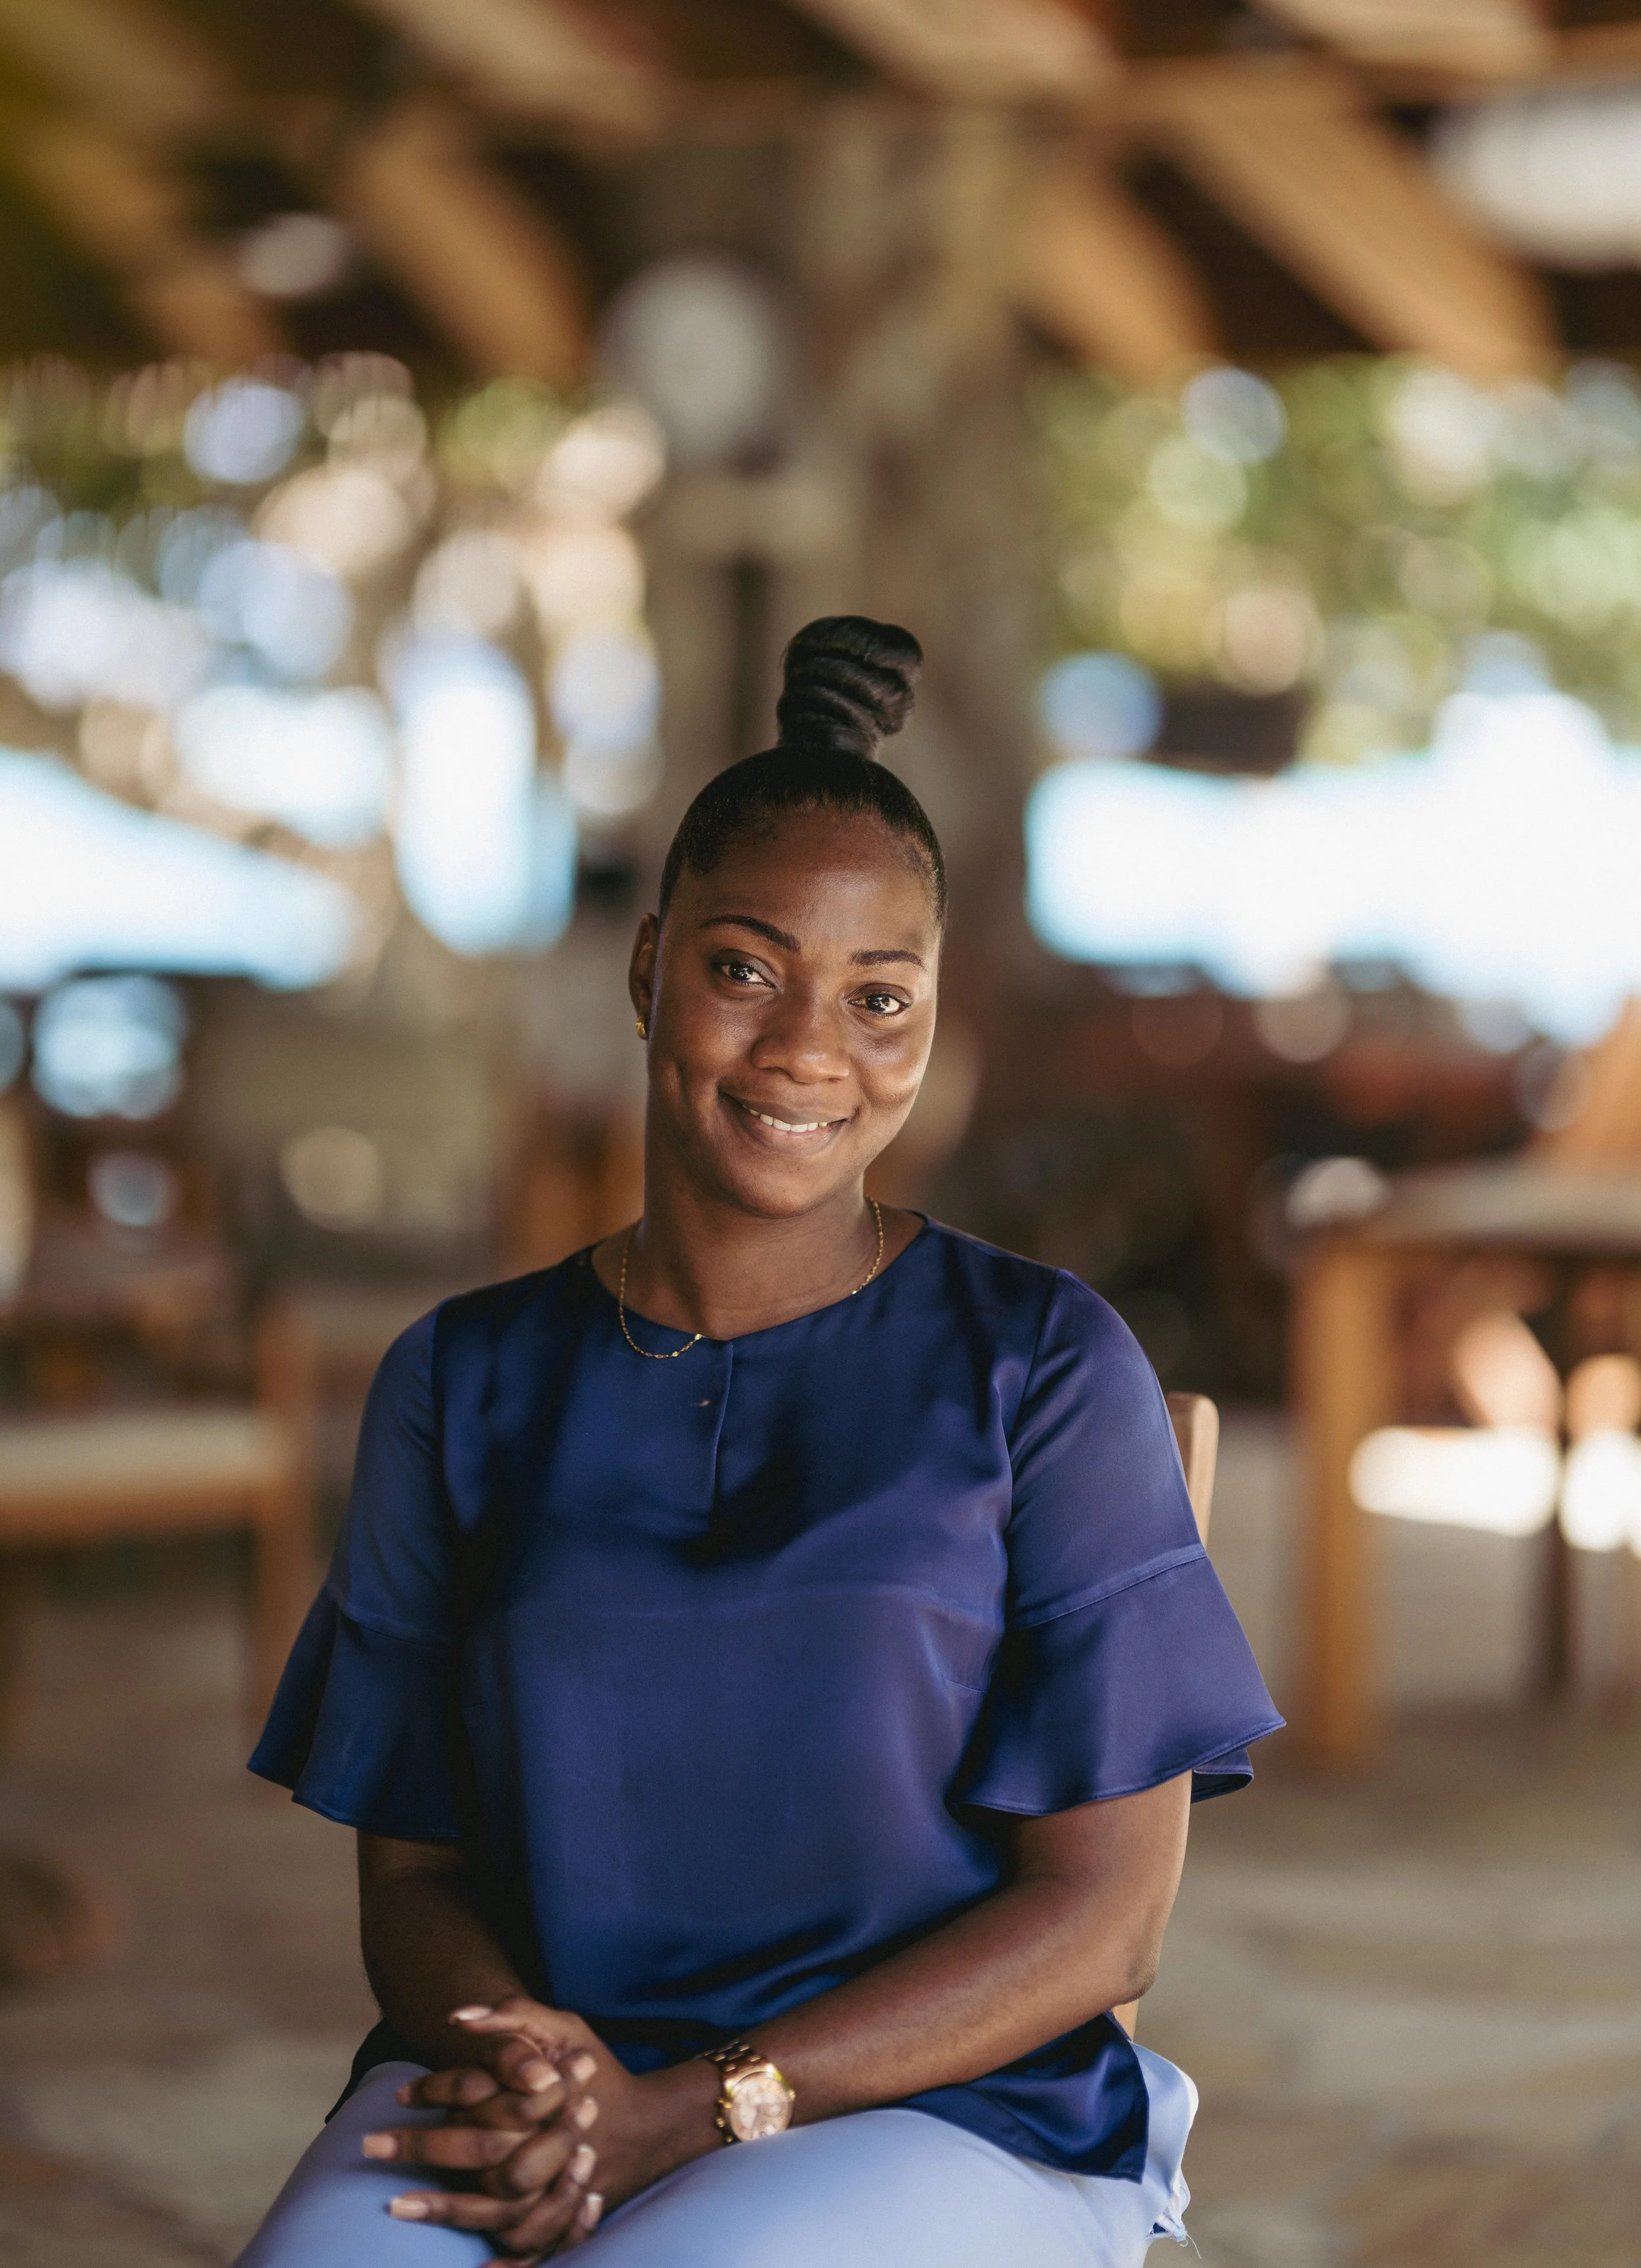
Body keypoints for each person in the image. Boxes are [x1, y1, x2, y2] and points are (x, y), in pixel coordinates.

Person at [238, 616, 1281, 2268]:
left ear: (939, 1021)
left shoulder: (1039, 1362)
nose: (809, 1049)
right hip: (541, 2075)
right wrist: (543, 2072)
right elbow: (413, 1872)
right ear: (650, 966)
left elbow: (1104, 1913)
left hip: (949, 2110)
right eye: (746, 969)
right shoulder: (460, 1377)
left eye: (882, 997)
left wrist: (695, 2107)